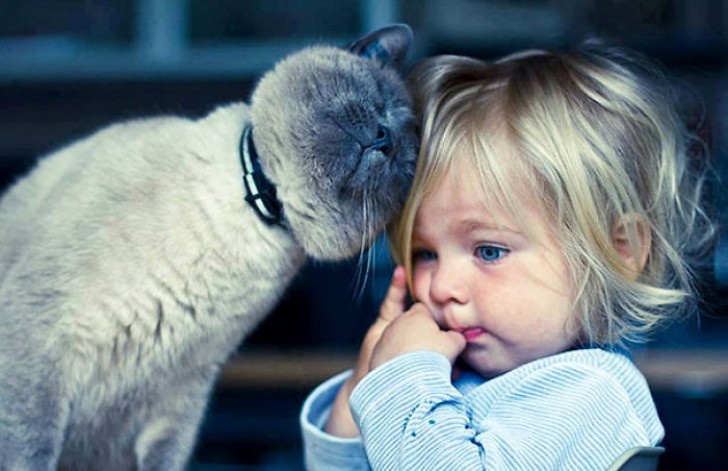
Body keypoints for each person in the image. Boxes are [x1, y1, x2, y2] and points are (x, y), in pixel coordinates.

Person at [300, 41, 714, 470]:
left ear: (619, 250)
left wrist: (402, 381)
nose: (440, 286)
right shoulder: (448, 380)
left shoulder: (592, 393)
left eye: (489, 250)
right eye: (425, 253)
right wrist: (366, 383)